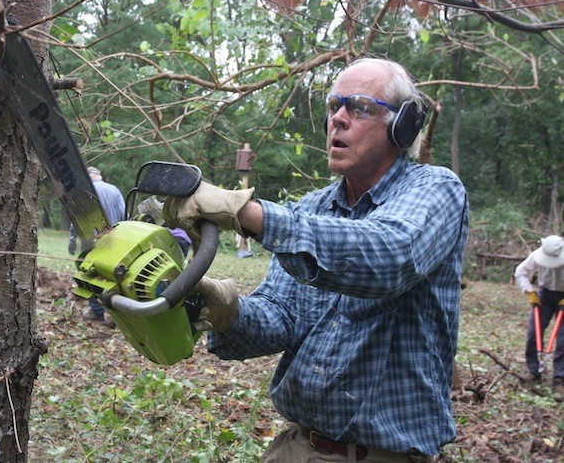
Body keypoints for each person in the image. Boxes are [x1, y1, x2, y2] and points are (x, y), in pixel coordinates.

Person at [164, 58, 469, 461]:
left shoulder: (437, 189)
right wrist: (228, 312)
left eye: (358, 107)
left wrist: (248, 213)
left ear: (404, 125)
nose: (338, 120)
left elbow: (391, 255)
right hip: (296, 446)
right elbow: (281, 318)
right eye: (333, 106)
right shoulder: (313, 208)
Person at [71, 167, 126, 322]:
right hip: (114, 237)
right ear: (99, 176)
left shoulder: (84, 189)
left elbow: (77, 215)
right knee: (113, 273)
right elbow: (124, 214)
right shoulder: (114, 190)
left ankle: (97, 311)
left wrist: (72, 239)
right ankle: (114, 312)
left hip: (92, 239)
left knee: (92, 273)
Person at [513, 235, 564, 397]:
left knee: (563, 339)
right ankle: (534, 371)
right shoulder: (537, 255)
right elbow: (520, 272)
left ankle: (559, 379)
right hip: (545, 295)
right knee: (533, 333)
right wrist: (529, 291)